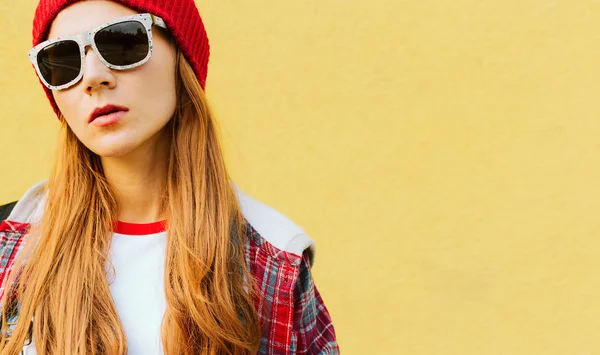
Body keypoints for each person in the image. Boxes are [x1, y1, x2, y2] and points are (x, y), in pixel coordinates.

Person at [0, 0, 339, 354]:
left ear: (181, 59)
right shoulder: (11, 251)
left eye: (122, 41)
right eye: (63, 60)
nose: (93, 76)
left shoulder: (275, 261)